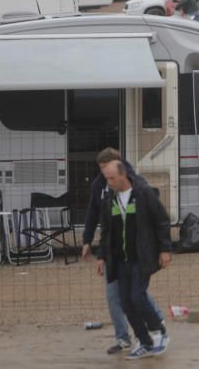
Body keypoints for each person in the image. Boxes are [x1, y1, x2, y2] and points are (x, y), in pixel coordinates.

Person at [82, 149, 165, 356]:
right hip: (116, 254)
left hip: (138, 253)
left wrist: (164, 249)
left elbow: (159, 218)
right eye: (101, 170)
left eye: (108, 171)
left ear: (119, 167)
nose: (104, 175)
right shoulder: (101, 189)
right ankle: (126, 337)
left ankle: (156, 327)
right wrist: (90, 243)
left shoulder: (139, 187)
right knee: (119, 296)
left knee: (136, 295)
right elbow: (98, 217)